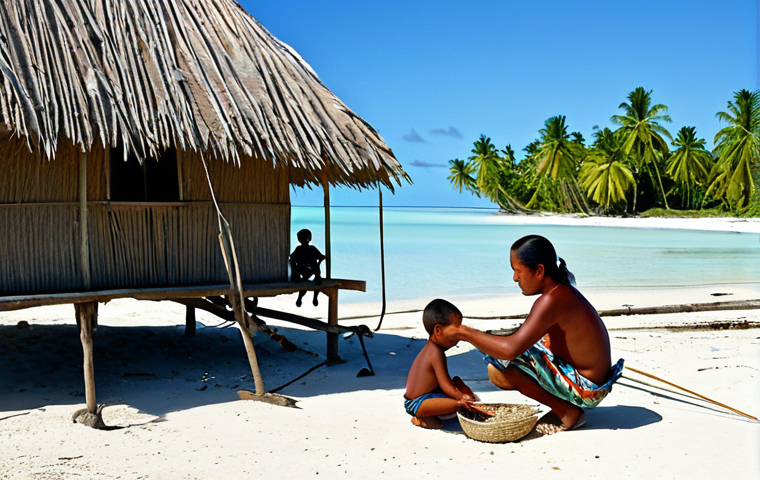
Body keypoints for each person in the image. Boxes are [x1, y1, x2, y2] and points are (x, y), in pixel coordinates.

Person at [444, 235, 624, 435]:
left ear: (539, 271)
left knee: (503, 365)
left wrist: (464, 332)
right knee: (519, 347)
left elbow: (509, 349)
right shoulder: (561, 291)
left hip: (588, 388)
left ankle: (566, 412)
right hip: (594, 379)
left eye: (517, 271)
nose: (515, 278)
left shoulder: (551, 300)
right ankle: (563, 406)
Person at [404, 299, 479, 429]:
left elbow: (443, 383)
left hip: (431, 394)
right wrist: (461, 398)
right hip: (418, 403)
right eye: (456, 330)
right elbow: (445, 385)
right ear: (438, 330)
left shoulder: (433, 350)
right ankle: (421, 418)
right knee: (457, 406)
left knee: (460, 391)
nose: (459, 336)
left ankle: (430, 416)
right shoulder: (435, 353)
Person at [289, 229, 326, 307]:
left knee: (312, 268)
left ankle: (301, 297)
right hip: (309, 270)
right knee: (315, 267)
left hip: (302, 270)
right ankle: (313, 292)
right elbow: (321, 257)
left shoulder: (300, 249)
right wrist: (318, 262)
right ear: (309, 238)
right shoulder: (311, 248)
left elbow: (292, 258)